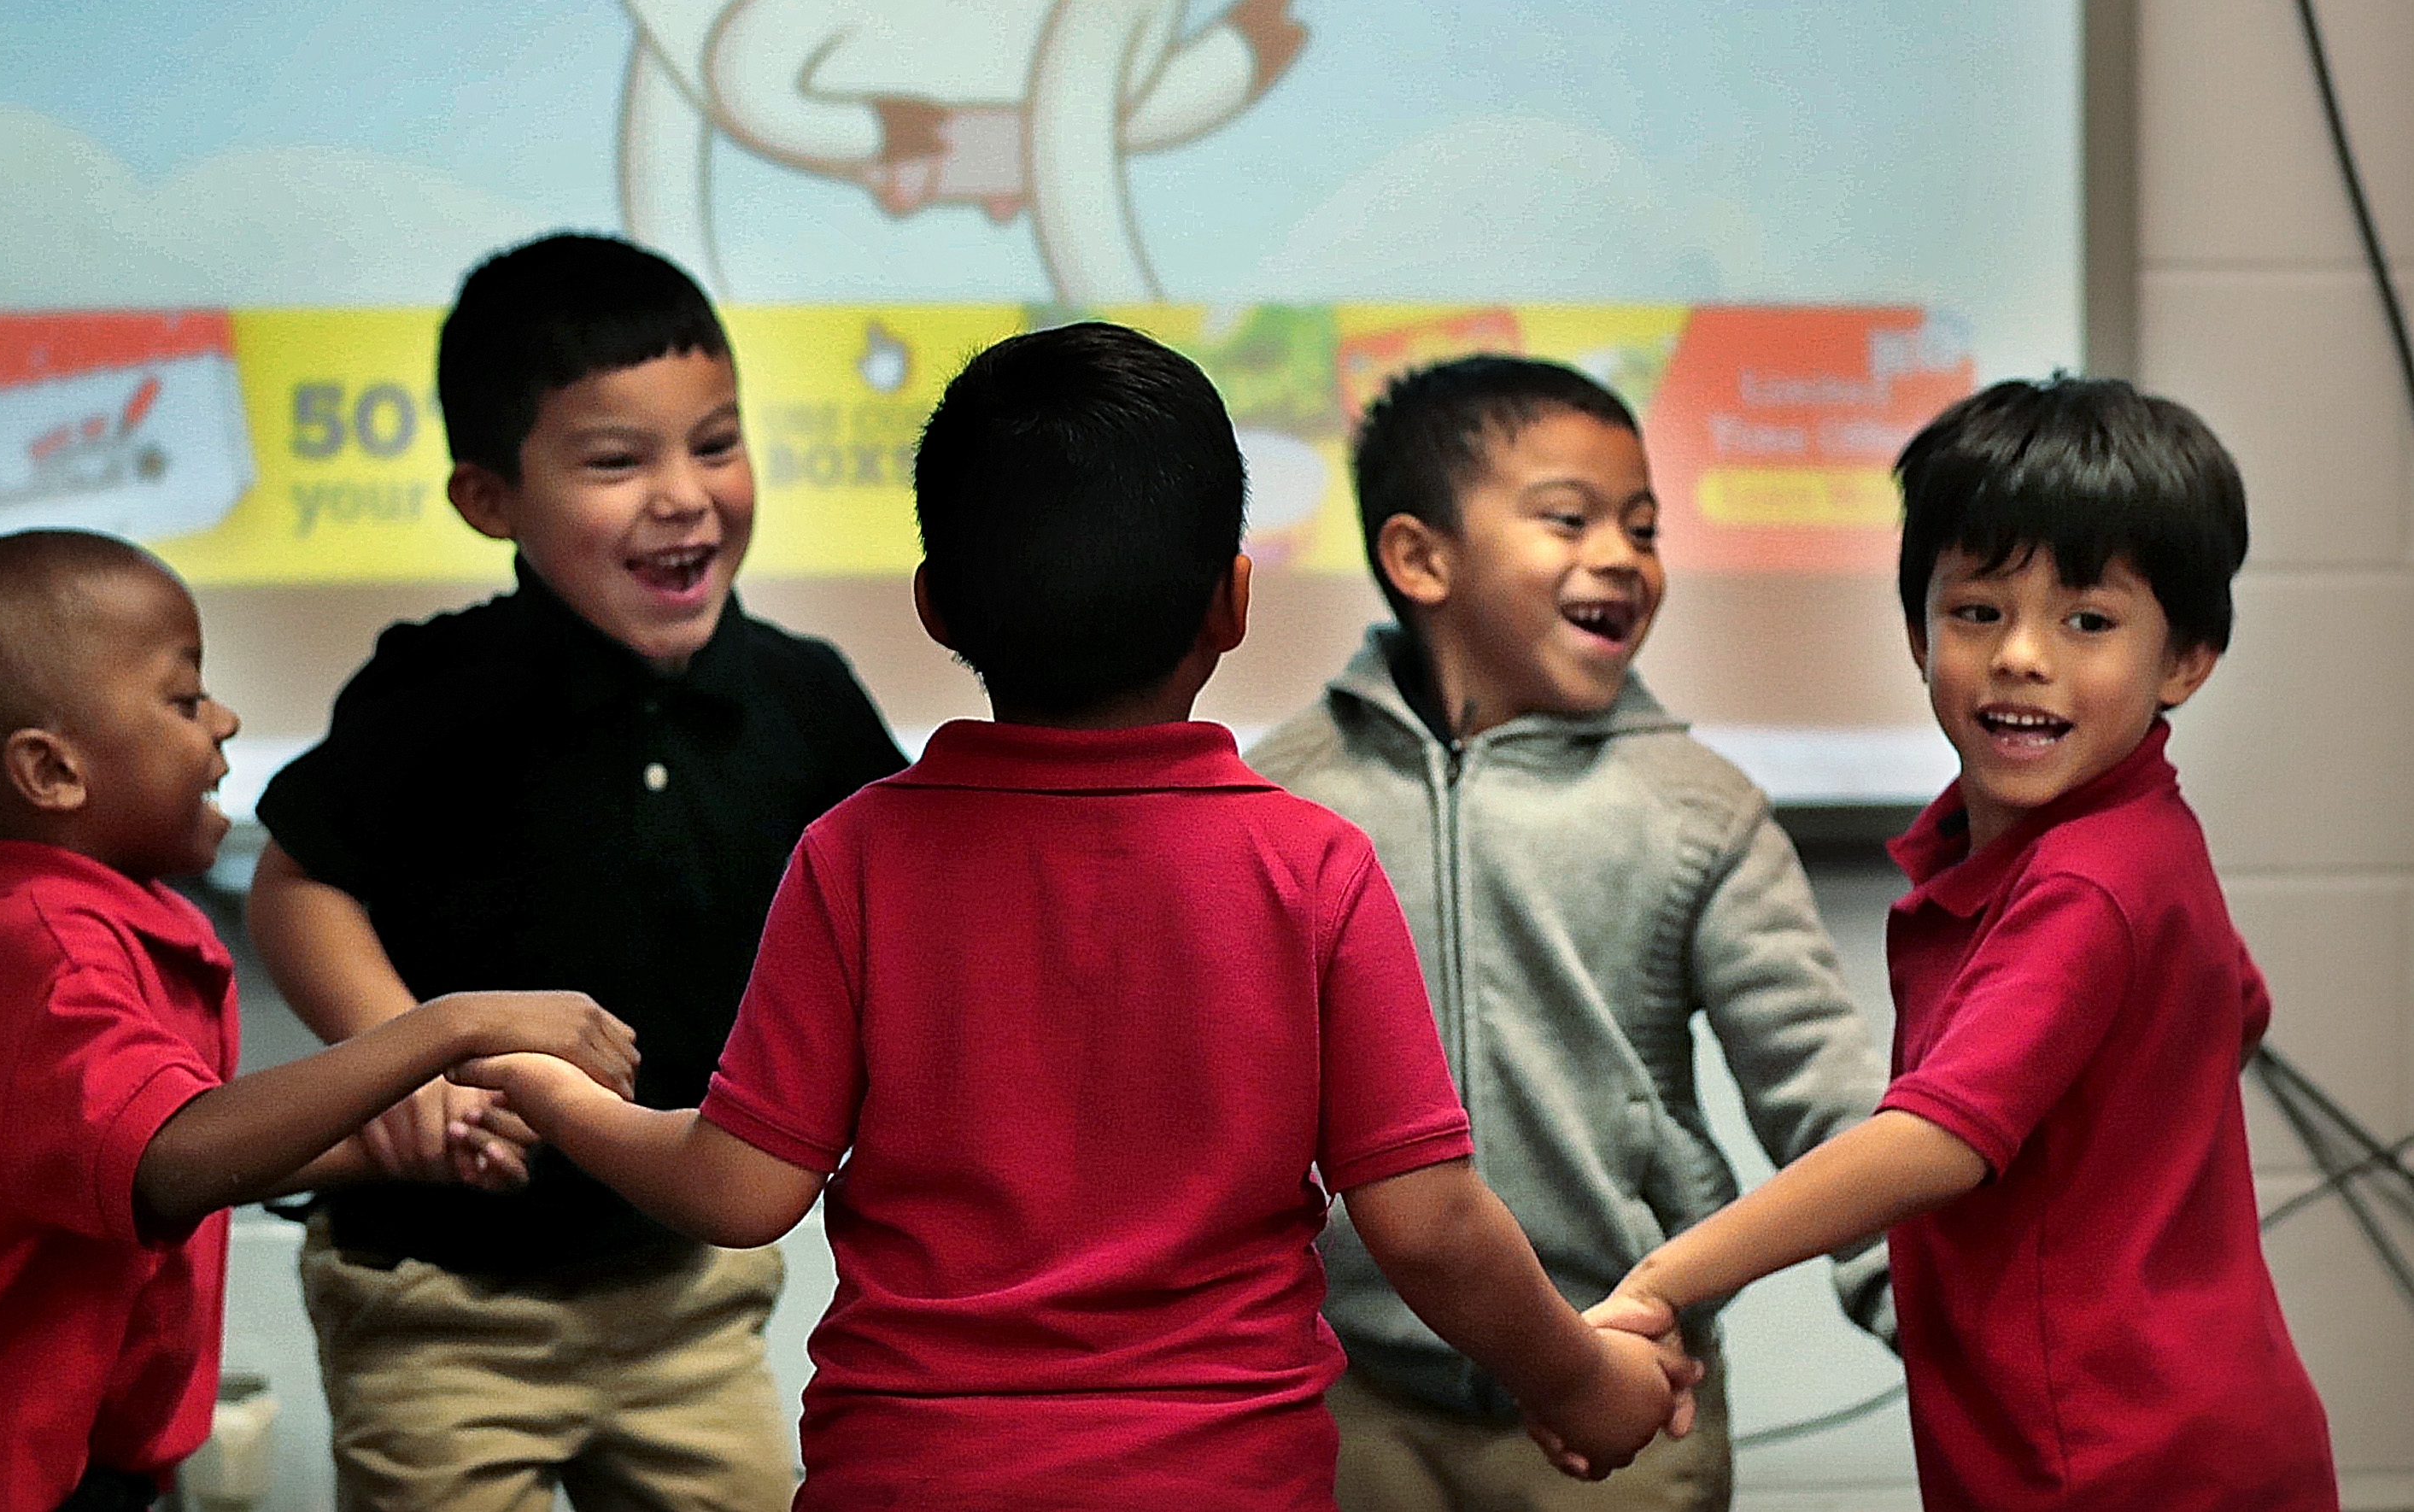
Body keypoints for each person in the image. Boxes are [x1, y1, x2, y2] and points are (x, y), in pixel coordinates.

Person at [453, 322, 1696, 1512]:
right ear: (1232, 600)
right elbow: (1429, 1223)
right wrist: (1585, 1382)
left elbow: (738, 1187)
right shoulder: (1311, 863)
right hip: (1224, 1482)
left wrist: (557, 1093)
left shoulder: (860, 853)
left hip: (911, 1476)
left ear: (936, 605)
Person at [1581, 375, 2337, 1509]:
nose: (2022, 654)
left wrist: (1669, 1275)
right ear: (1917, 627)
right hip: (2125, 1425)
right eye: (1978, 609)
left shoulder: (2090, 877)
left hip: (2122, 1457)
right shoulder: (2107, 834)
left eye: (2088, 620)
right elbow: (2236, 1003)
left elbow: (1935, 1141)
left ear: (2185, 659)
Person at [247, 233, 906, 1510]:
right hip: (437, 1302)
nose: (684, 494)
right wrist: (402, 1052)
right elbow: (296, 882)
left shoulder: (804, 697)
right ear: (491, 498)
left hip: (686, 1297)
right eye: (618, 459)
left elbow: (910, 912)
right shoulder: (432, 690)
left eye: (715, 442)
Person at [0, 529, 641, 1512]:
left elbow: (155, 1158)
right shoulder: (51, 945)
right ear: (52, 771)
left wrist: (392, 1155)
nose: (227, 720)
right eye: (184, 697)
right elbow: (169, 1156)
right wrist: (448, 1026)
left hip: (79, 1473)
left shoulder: (97, 920)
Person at [1244, 355, 1895, 1510]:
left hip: (1624, 1386)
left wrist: (1938, 1318)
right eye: (1569, 516)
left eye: (1642, 527)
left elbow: (1828, 1101)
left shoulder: (1699, 805)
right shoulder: (1284, 799)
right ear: (1419, 557)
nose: (1622, 555)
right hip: (1347, 1401)